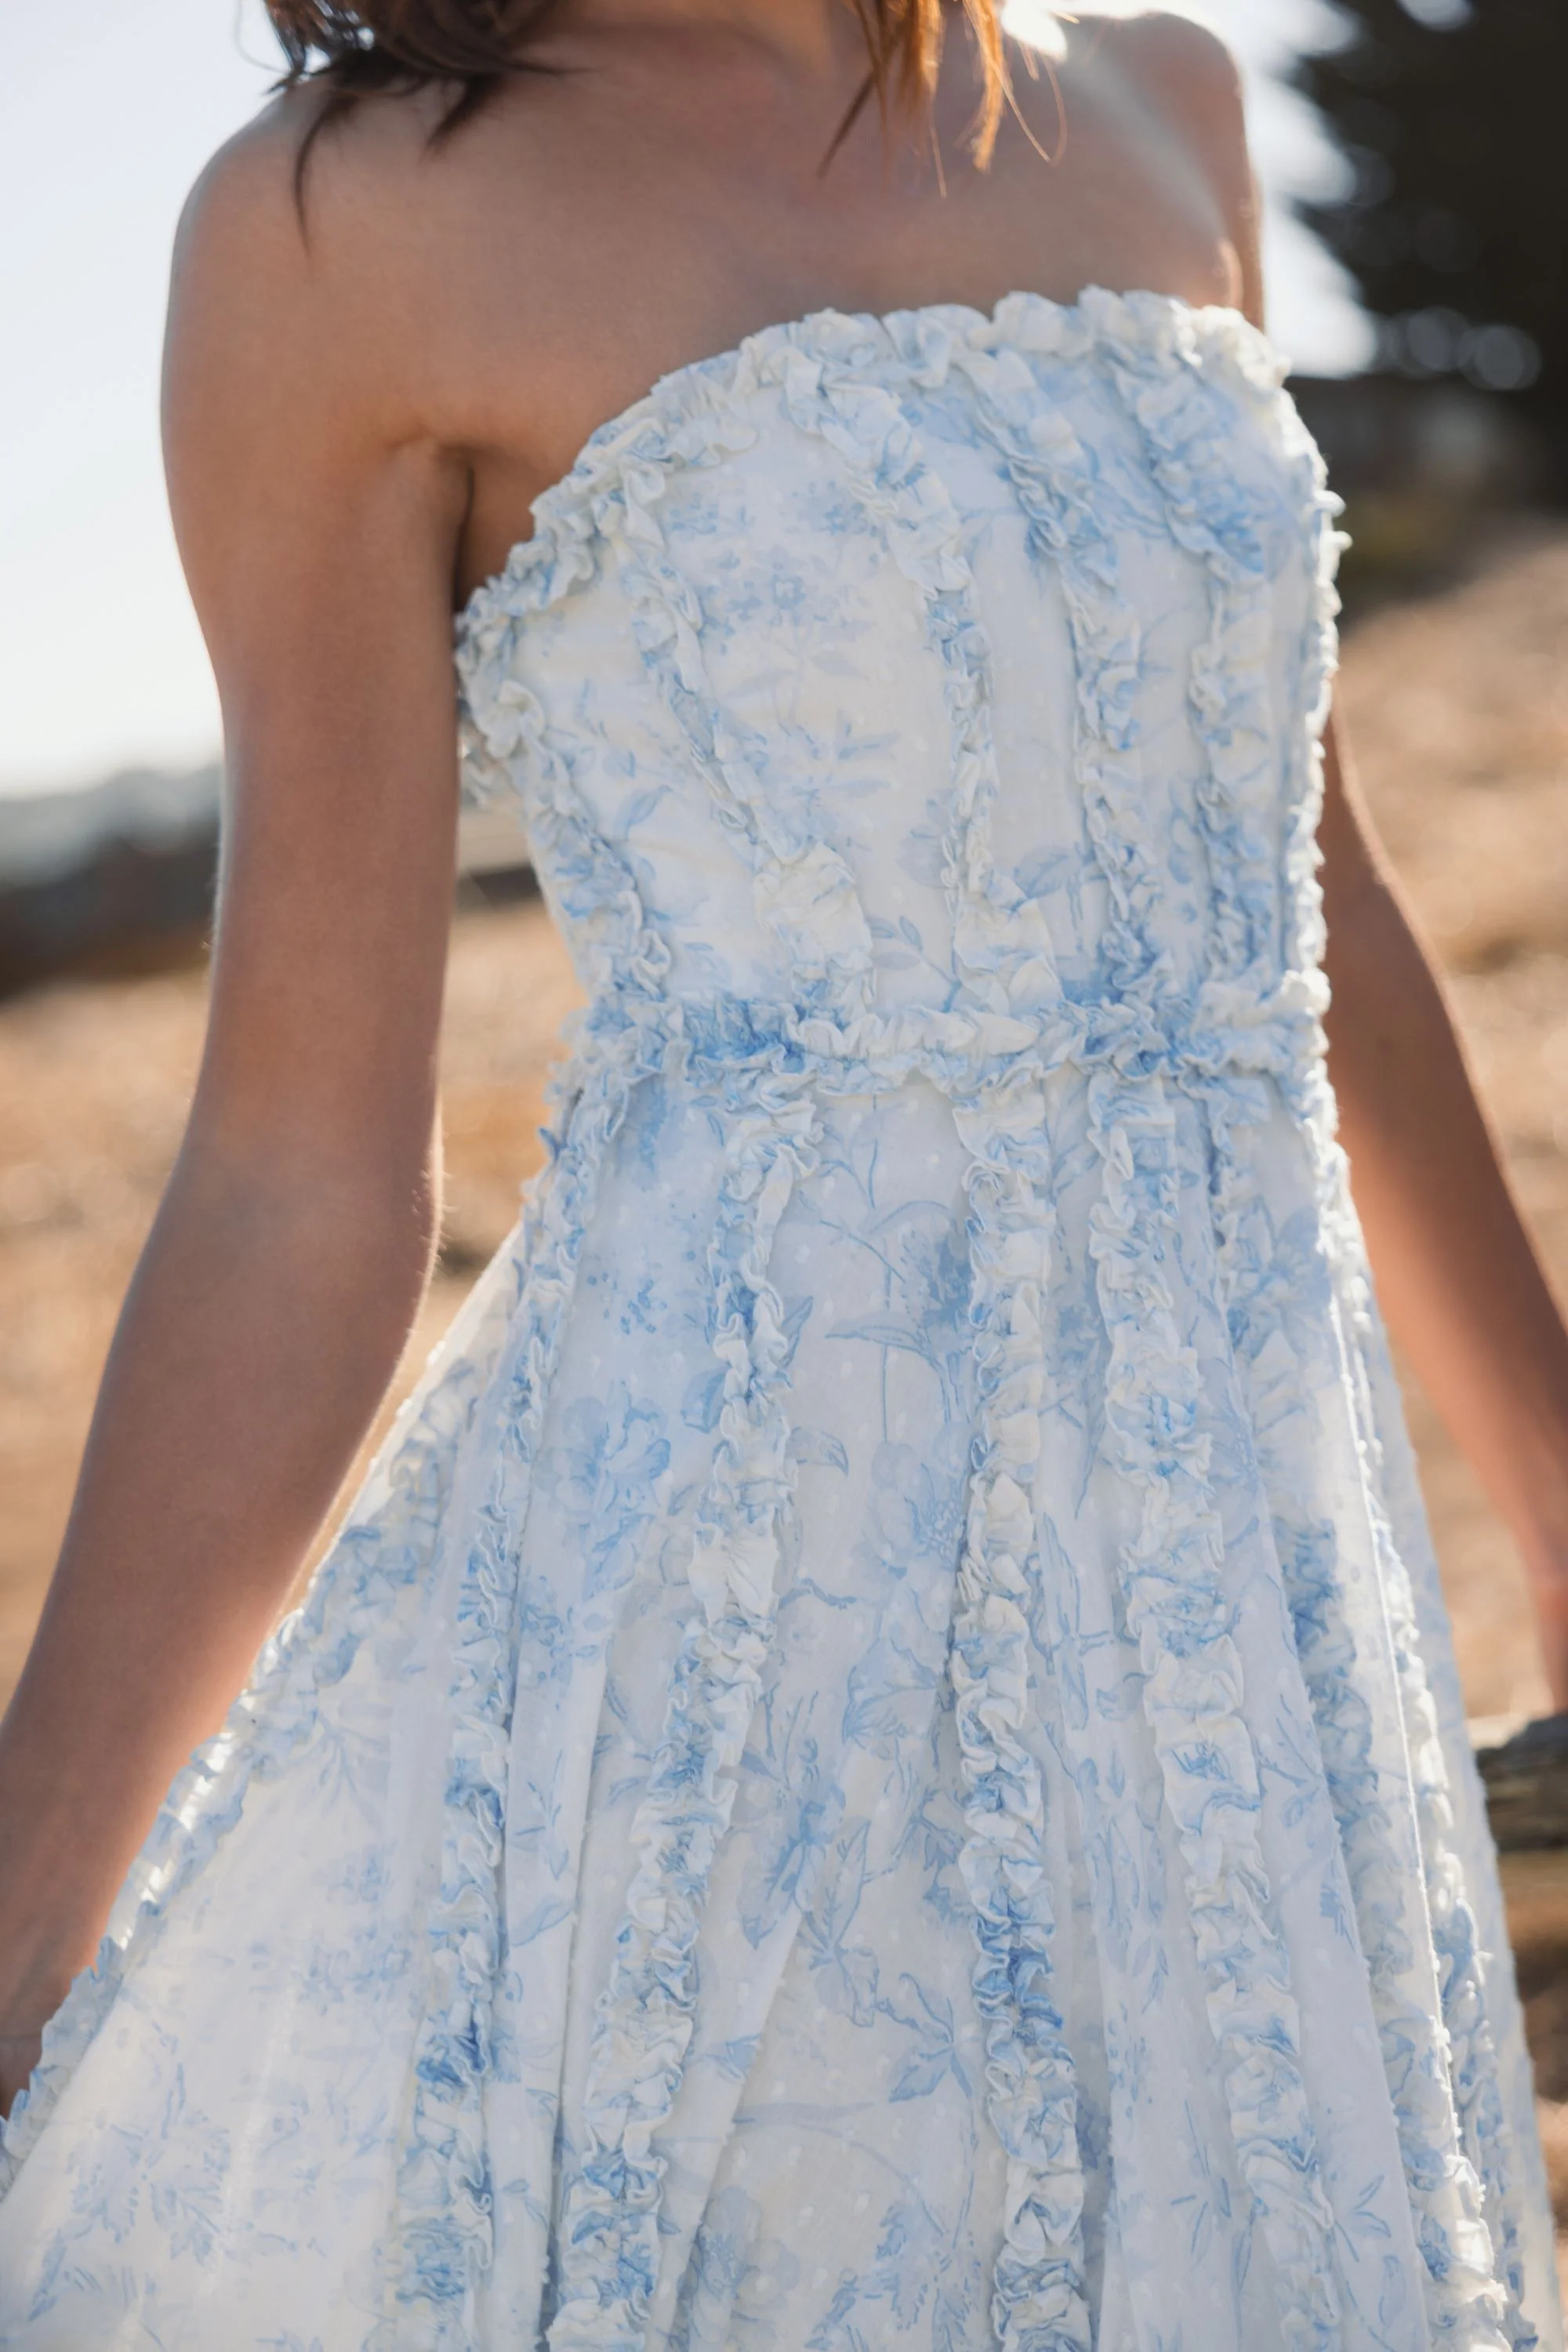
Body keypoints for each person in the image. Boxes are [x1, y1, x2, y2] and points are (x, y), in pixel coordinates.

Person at [1, 0, 1566, 2340]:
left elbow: (1300, 902)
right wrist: (21, 1928)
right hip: (724, 1640)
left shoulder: (1160, 102)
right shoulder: (345, 222)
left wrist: (1557, 1484)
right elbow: (293, 1170)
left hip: (1236, 1604)